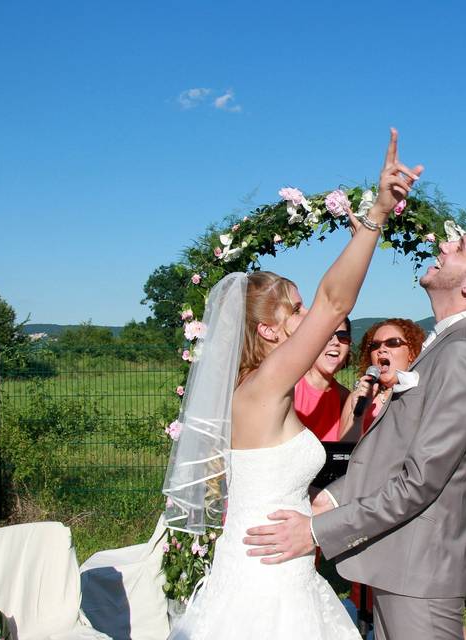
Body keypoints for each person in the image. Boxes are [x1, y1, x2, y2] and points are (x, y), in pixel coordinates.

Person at [164, 129, 423, 640]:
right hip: (268, 578)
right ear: (267, 329)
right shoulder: (263, 384)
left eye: (304, 308)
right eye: (295, 310)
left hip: (277, 563)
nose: (308, 318)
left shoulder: (251, 388)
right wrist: (375, 218)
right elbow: (335, 303)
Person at [244, 227, 466, 640]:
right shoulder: (447, 343)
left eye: (460, 247)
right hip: (405, 563)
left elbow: (420, 480)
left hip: (421, 570)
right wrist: (334, 496)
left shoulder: (464, 352)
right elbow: (397, 451)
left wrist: (316, 530)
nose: (445, 245)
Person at [340, 318, 426, 439]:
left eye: (392, 343)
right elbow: (343, 454)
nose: (381, 349)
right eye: (375, 345)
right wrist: (358, 417)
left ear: (411, 352)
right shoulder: (358, 398)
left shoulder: (427, 395)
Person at [294, 318, 353, 442]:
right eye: (327, 334)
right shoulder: (290, 390)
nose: (336, 342)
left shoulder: (345, 398)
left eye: (343, 336)